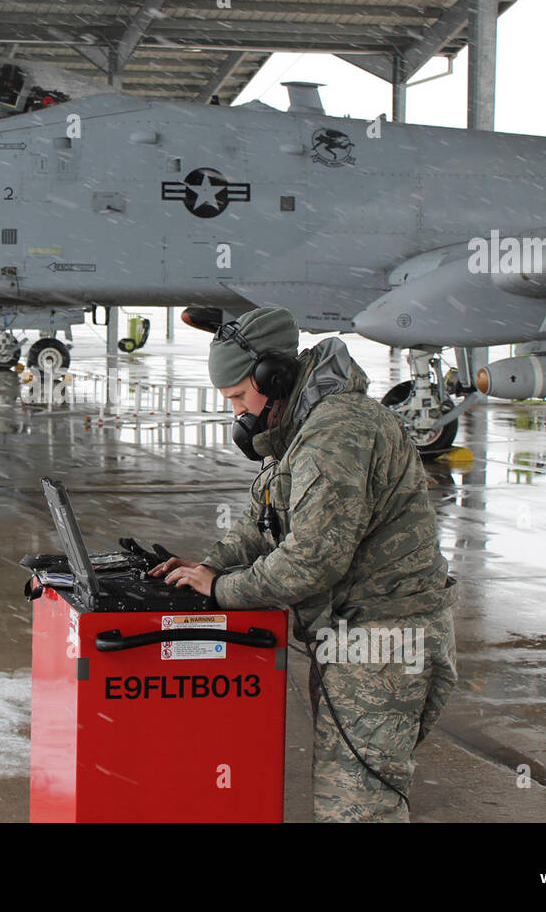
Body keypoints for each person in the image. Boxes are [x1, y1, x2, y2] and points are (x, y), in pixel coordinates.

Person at [150, 306, 458, 822]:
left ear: (276, 377)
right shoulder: (301, 424)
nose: (240, 416)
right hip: (356, 640)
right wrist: (203, 572)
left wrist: (223, 591)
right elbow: (259, 522)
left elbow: (312, 561)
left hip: (383, 641)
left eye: (239, 398)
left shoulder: (336, 434)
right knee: (350, 795)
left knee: (359, 808)